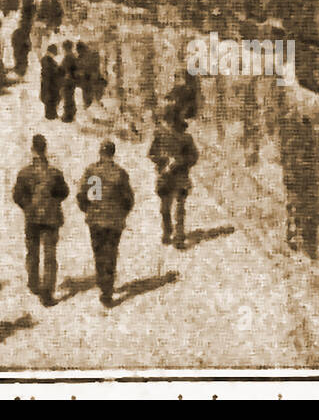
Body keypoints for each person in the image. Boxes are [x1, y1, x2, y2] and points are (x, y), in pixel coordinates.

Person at [11, 133, 69, 306]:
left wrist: (28, 207)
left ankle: (34, 282)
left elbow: (17, 195)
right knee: (50, 255)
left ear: (32, 150)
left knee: (32, 251)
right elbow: (64, 192)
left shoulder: (24, 173)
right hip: (51, 218)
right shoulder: (55, 173)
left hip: (32, 218)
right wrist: (52, 203)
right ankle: (47, 291)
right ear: (45, 150)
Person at [76, 140, 135, 308]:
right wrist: (122, 214)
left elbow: (81, 195)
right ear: (113, 154)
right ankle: (107, 291)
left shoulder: (91, 171)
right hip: (114, 220)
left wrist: (88, 210)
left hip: (95, 219)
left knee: (99, 253)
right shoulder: (120, 173)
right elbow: (129, 199)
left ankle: (103, 284)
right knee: (111, 253)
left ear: (100, 153)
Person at [148, 104, 199, 250]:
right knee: (164, 209)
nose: (169, 123)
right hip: (165, 177)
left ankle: (179, 236)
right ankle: (167, 230)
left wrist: (179, 162)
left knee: (179, 208)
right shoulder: (159, 135)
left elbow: (194, 156)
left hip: (181, 176)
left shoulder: (186, 138)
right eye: (167, 120)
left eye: (171, 120)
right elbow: (151, 154)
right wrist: (164, 160)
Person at [59, 41, 79, 123]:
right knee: (70, 97)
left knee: (67, 98)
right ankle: (70, 114)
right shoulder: (73, 56)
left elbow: (62, 69)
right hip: (72, 80)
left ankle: (68, 116)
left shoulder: (68, 57)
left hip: (68, 81)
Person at [39, 46, 60, 121]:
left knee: (49, 103)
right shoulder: (50, 62)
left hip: (47, 87)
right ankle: (51, 116)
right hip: (51, 88)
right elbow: (53, 74)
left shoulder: (45, 60)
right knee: (51, 102)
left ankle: (51, 115)